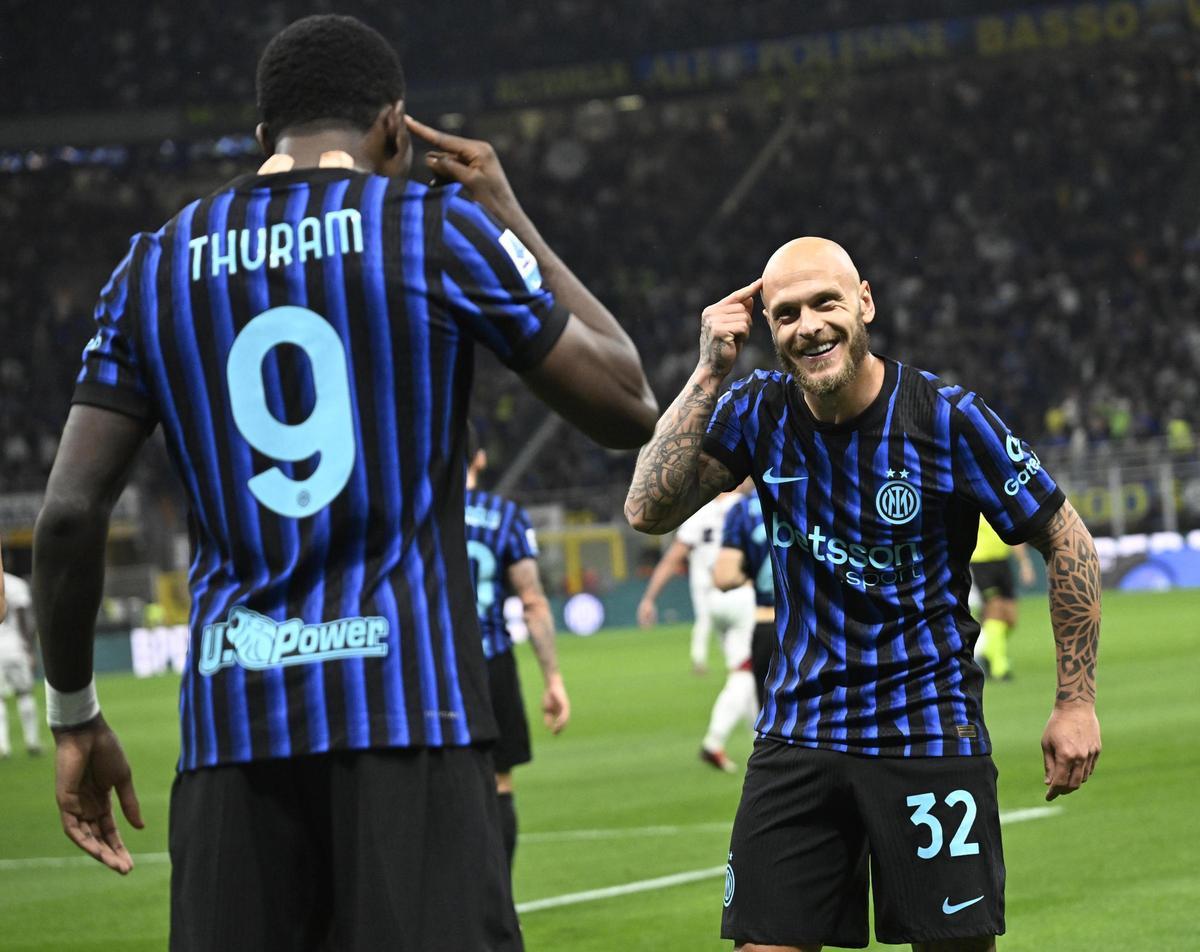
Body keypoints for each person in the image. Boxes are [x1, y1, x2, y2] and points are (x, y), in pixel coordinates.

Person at [32, 15, 656, 952]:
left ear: (260, 139)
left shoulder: (153, 265)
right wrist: (508, 214)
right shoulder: (433, 233)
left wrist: (73, 713)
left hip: (232, 730)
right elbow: (627, 403)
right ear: (396, 129)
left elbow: (70, 517)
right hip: (411, 713)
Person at [625, 236, 1102, 952]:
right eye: (786, 313)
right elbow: (645, 510)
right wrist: (706, 372)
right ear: (771, 330)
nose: (808, 324)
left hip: (927, 733)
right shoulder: (756, 409)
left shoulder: (947, 417)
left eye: (826, 302)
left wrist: (1075, 702)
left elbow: (1067, 539)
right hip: (798, 734)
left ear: (865, 303)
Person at [464, 424, 570, 876]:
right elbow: (532, 601)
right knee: (499, 783)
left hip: (428, 669)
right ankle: (498, 906)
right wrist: (553, 680)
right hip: (491, 664)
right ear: (481, 459)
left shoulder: (417, 514)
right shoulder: (503, 516)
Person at [638, 492, 758, 771]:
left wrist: (649, 598)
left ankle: (762, 742)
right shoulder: (746, 506)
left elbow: (672, 558)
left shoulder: (698, 512)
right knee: (746, 671)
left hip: (713, 602)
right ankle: (714, 742)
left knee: (747, 674)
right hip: (742, 595)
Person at [713, 484, 775, 709]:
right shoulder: (816, 494)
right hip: (820, 625)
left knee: (774, 725)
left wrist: (750, 578)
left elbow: (724, 577)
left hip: (768, 623)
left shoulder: (743, 508)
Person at [971, 514, 1036, 681]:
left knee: (1010, 617)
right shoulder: (969, 505)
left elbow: (1015, 534)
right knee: (995, 608)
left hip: (1002, 563)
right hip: (981, 563)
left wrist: (1024, 563)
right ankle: (999, 667)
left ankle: (988, 651)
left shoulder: (997, 503)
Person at [0, 569, 43, 758]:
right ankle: (32, 741)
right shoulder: (16, 584)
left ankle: (3, 745)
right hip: (16, 647)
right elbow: (25, 621)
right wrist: (30, 650)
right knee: (25, 693)